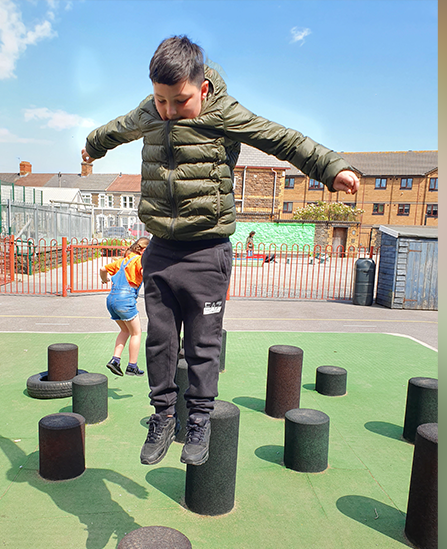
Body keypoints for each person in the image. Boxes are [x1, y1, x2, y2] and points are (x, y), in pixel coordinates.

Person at [81, 35, 359, 467]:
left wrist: (330, 166)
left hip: (207, 250)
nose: (170, 111)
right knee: (158, 340)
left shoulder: (223, 112)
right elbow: (117, 129)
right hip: (160, 249)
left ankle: (200, 421)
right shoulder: (149, 110)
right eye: (161, 100)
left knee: (203, 344)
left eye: (181, 101)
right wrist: (92, 145)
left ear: (203, 89)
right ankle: (164, 416)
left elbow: (280, 138)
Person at [99, 237, 150, 377]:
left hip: (111, 300)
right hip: (125, 300)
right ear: (144, 250)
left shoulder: (123, 261)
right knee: (136, 332)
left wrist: (104, 279)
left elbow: (103, 269)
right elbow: (145, 273)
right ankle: (132, 366)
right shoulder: (139, 260)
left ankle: (115, 360)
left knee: (125, 330)